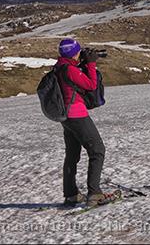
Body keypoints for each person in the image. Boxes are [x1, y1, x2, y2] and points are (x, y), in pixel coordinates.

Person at [55, 38, 110, 206]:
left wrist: (85, 62)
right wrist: (91, 64)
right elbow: (91, 85)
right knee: (98, 150)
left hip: (66, 116)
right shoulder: (70, 70)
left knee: (72, 154)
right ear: (74, 52)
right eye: (78, 51)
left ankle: (71, 194)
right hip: (76, 114)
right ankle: (94, 193)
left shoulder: (59, 67)